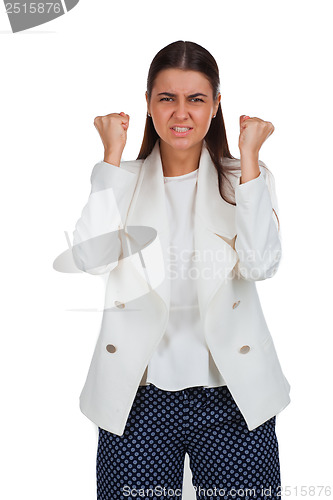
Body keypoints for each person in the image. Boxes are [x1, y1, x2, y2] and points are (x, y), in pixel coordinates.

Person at [72, 40, 291, 500]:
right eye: (166, 98)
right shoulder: (122, 180)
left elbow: (260, 264)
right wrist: (111, 157)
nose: (181, 113)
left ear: (215, 107)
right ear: (148, 105)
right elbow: (92, 258)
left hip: (232, 394)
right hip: (139, 398)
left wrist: (248, 157)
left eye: (196, 99)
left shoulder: (244, 179)